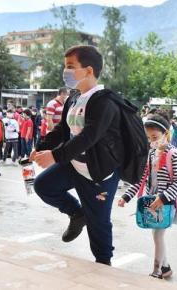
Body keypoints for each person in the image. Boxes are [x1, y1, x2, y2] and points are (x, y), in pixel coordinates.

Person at [32, 45, 124, 266]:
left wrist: (54, 156)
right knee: (43, 185)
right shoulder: (73, 99)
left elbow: (88, 138)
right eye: (65, 67)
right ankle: (77, 214)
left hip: (98, 173)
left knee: (99, 223)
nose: (66, 72)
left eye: (71, 67)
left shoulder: (105, 102)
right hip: (74, 164)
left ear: (89, 70)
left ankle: (104, 265)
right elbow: (64, 130)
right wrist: (41, 146)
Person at [119, 112, 177, 279]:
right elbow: (142, 178)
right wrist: (127, 196)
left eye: (154, 136)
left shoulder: (173, 154)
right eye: (148, 138)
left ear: (166, 134)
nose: (151, 141)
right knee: (157, 235)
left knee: (158, 234)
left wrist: (164, 197)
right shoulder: (152, 153)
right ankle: (166, 267)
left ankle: (157, 270)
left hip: (165, 203)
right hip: (150, 201)